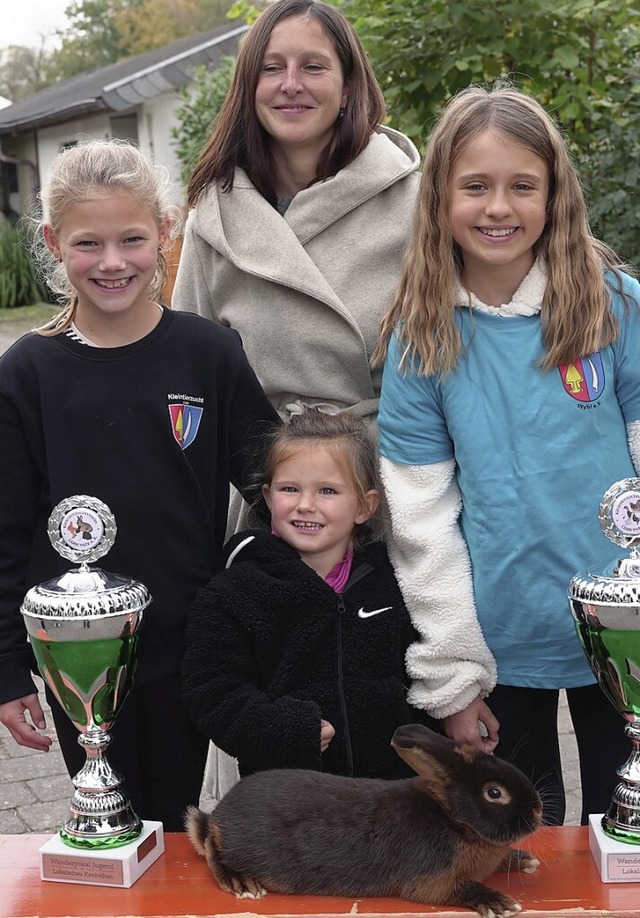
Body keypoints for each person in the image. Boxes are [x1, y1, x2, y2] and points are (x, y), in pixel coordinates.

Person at [374, 83, 640, 826]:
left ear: (555, 194)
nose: (499, 207)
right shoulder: (421, 338)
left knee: (628, 839)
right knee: (525, 847)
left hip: (625, 641)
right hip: (500, 648)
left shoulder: (614, 307)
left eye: (523, 185)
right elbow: (420, 518)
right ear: (439, 200)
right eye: (476, 187)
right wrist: (455, 675)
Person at [0, 139, 278, 831]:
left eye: (131, 238)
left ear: (165, 229)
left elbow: (271, 484)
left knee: (178, 823)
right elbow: (4, 531)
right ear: (54, 243)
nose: (113, 261)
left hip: (193, 646)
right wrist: (6, 671)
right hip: (80, 657)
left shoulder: (208, 353)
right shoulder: (25, 374)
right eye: (89, 243)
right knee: (111, 821)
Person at [171, 0, 420, 433]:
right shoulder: (213, 222)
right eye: (271, 68)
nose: (290, 84)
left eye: (313, 67)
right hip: (266, 482)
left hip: (395, 473)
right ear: (249, 87)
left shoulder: (416, 204)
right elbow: (188, 381)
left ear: (347, 87)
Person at [182, 407, 437, 779]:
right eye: (290, 489)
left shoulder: (395, 580)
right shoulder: (234, 591)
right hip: (289, 800)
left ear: (365, 506)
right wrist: (285, 730)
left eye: (327, 491)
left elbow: (426, 665)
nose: (305, 504)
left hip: (394, 798)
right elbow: (211, 689)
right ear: (268, 497)